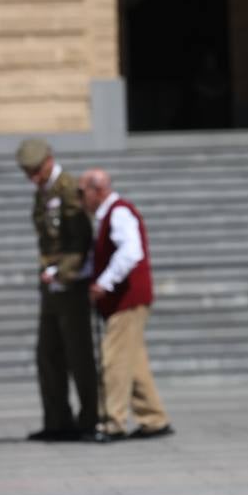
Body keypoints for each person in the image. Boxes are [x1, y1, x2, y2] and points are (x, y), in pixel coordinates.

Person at [79, 169, 173, 440]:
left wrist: (104, 283)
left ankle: (112, 422)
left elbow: (131, 252)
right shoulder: (108, 215)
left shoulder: (118, 212)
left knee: (115, 360)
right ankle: (154, 418)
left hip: (127, 300)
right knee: (134, 361)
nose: (79, 198)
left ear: (98, 191)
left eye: (82, 192)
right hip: (123, 300)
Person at [17, 138, 98, 441]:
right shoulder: (44, 192)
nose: (32, 177)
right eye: (27, 172)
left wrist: (61, 273)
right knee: (47, 355)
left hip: (71, 285)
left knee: (79, 356)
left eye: (35, 170)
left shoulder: (68, 189)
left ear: (49, 160)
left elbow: (81, 241)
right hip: (51, 286)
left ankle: (90, 420)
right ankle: (57, 422)